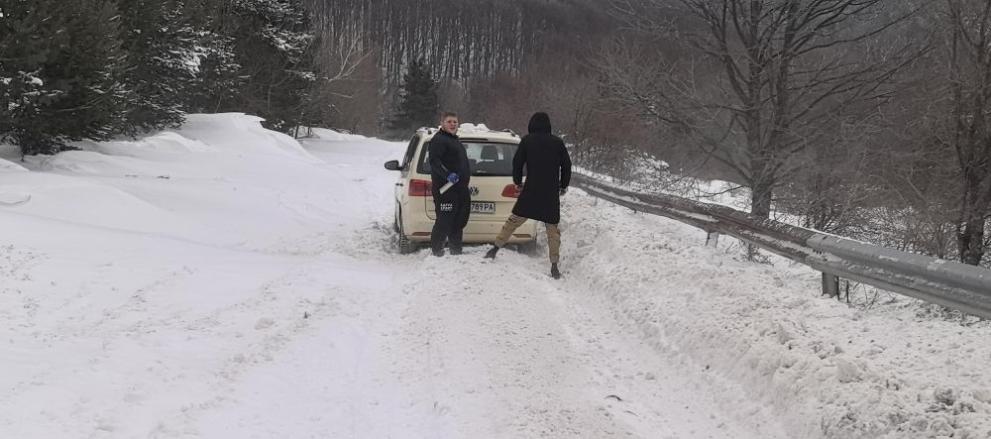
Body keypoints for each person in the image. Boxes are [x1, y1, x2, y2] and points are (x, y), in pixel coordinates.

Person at [484, 112, 572, 279]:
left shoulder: (527, 141)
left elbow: (517, 162)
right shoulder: (558, 143)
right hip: (550, 193)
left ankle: (495, 248)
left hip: (530, 190)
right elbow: (567, 166)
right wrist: (563, 185)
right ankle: (554, 265)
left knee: (513, 221)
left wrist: (517, 182)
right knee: (552, 230)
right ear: (548, 126)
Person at [428, 111, 471, 256]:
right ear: (442, 123)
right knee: (444, 221)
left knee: (458, 221)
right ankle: (436, 252)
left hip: (460, 189)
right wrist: (447, 175)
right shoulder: (438, 140)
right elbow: (434, 161)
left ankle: (455, 251)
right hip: (446, 189)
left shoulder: (454, 140)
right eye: (449, 121)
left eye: (455, 122)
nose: (453, 124)